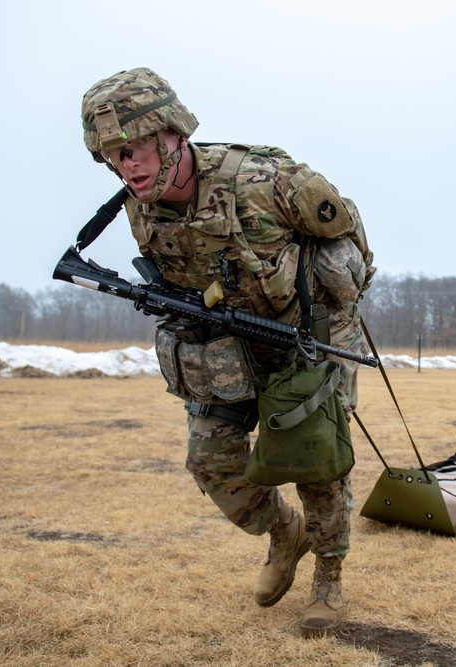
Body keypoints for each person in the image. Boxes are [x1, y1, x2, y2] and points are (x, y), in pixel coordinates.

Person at [80, 68, 375, 637]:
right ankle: (282, 534)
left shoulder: (264, 180)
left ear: (174, 135)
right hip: (228, 349)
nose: (128, 164)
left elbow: (347, 237)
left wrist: (329, 304)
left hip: (305, 341)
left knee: (318, 465)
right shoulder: (140, 207)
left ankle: (329, 578)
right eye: (114, 155)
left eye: (136, 147)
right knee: (212, 462)